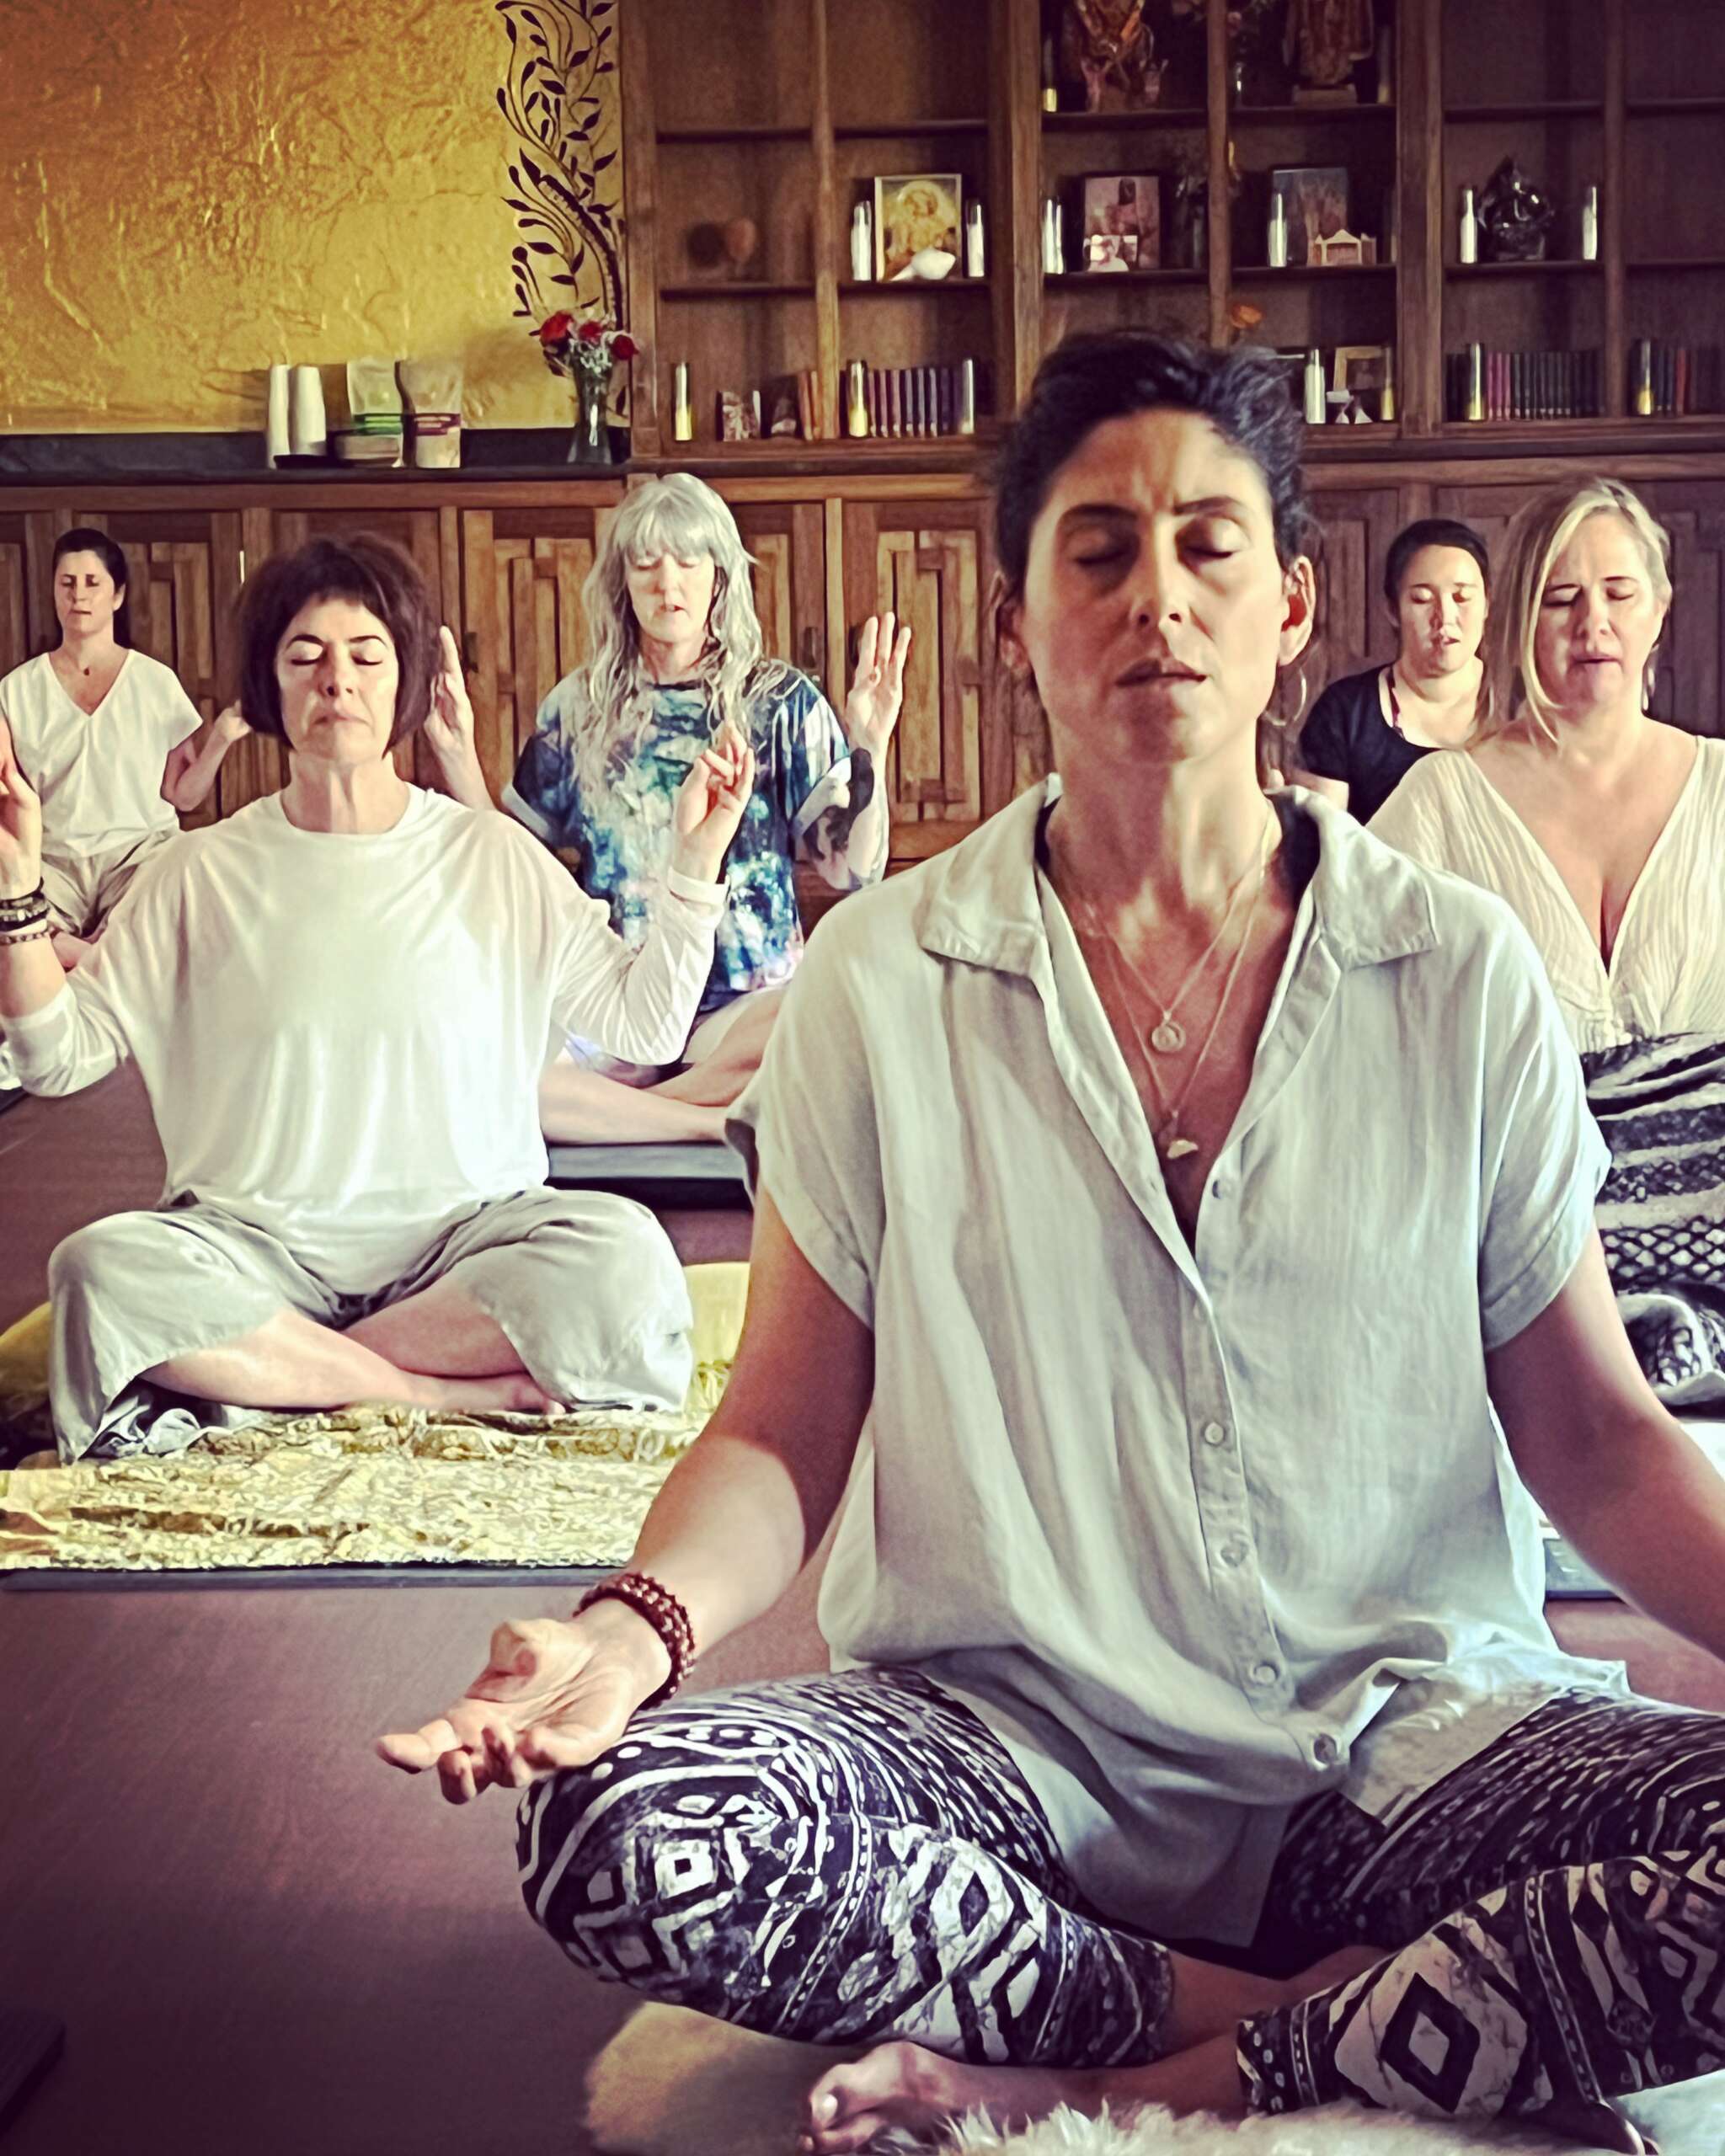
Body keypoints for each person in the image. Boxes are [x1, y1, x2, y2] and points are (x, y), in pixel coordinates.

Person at [379, 336, 1725, 2152]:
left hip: (1403, 1742)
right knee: (619, 1828)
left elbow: (1597, 1435)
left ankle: (1123, 2068)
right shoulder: (879, 980)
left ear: (1287, 605)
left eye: (1206, 546)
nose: (1155, 595)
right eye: (1097, 550)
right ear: (1013, 621)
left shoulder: (1454, 969)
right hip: (1008, 1750)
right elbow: (781, 1429)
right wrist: (627, 1633)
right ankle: (1286, 2019)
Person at [0, 533, 747, 1464]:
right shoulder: (197, 871)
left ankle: (284, 1377)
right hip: (251, 1250)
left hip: (465, 1254)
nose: (337, 682)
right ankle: (418, 1390)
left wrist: (695, 863)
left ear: (408, 681)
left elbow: (648, 1023)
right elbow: (54, 1060)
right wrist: (16, 891)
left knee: (622, 1260)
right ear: (267, 687)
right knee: (101, 1270)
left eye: (366, 656)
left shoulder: (491, 856)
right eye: (305, 657)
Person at [426, 473, 909, 1144]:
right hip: (620, 1001)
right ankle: (703, 1118)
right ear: (621, 582)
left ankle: (631, 1113)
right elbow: (521, 874)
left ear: (720, 576)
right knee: (499, 1060)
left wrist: (868, 748)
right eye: (647, 563)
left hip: (743, 1012)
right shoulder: (579, 708)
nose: (668, 583)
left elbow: (852, 871)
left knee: (816, 1023)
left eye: (688, 560)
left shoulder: (781, 702)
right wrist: (458, 760)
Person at [1370, 478, 1725, 1052]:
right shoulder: (1441, 801)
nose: (1593, 624)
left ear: (1659, 610)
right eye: (1561, 599)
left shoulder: (1719, 786)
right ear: (1520, 619)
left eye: (1620, 594)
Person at [0, 527, 250, 968]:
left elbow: (183, 796)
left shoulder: (155, 682)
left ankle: (78, 952)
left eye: (92, 583)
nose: (79, 595)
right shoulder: (16, 690)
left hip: (139, 857)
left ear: (117, 596)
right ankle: (99, 954)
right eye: (67, 583)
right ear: (54, 592)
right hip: (52, 861)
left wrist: (221, 740)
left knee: (190, 882)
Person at [1288, 516, 1488, 822]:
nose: (1445, 617)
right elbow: (1322, 841)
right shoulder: (1345, 711)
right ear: (1393, 610)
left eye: (1462, 598)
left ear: (1487, 604)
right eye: (1422, 599)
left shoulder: (1525, 705)